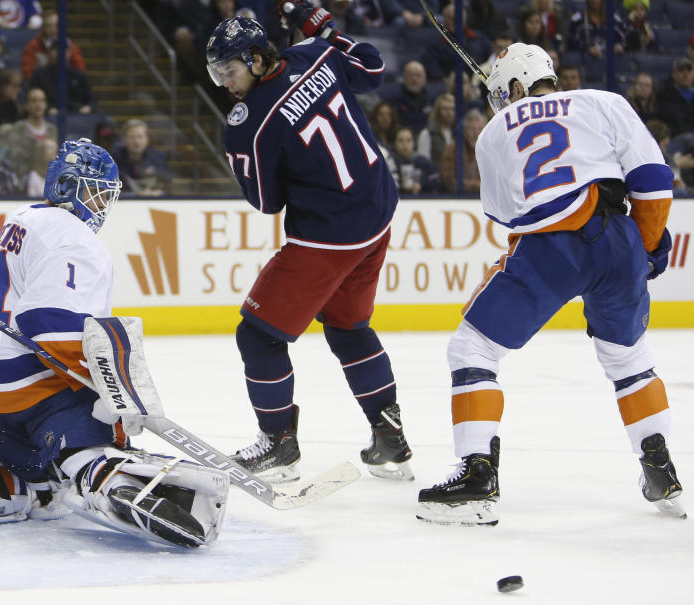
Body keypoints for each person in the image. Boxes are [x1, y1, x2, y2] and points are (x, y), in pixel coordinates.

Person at [0, 139, 227, 549]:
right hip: (32, 396)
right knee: (99, 433)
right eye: (95, 192)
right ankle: (105, 477)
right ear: (66, 187)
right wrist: (117, 393)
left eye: (106, 196)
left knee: (45, 482)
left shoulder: (22, 218)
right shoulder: (77, 240)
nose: (101, 206)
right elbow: (50, 327)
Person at [416, 43, 683, 526]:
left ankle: (478, 475)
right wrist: (643, 246)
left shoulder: (495, 131)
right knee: (629, 359)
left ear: (516, 87)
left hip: (550, 245)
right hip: (617, 239)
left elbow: (505, 214)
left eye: (504, 95)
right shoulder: (604, 101)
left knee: (472, 350)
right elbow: (653, 178)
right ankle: (659, 465)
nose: (501, 105)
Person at [205, 8, 413, 484]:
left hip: (329, 236)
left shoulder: (249, 119)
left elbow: (266, 201)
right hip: (378, 211)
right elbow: (373, 69)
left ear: (257, 58)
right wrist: (325, 29)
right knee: (348, 327)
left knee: (257, 335)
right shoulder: (316, 53)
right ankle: (390, 437)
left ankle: (279, 445)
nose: (226, 85)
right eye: (218, 75)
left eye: (230, 71)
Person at [0, 86, 57, 180]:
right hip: (26, 182)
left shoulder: (52, 130)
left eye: (42, 101)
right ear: (26, 105)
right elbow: (14, 162)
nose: (38, 105)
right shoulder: (16, 130)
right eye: (34, 101)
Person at [112, 118, 171, 196]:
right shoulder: (115, 159)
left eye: (140, 137)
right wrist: (136, 194)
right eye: (132, 137)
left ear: (147, 139)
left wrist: (160, 193)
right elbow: (112, 190)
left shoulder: (158, 157)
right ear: (124, 140)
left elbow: (167, 183)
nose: (137, 142)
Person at [439, 108, 486, 193]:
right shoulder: (453, 149)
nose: (476, 133)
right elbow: (450, 182)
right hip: (458, 200)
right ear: (464, 131)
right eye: (472, 129)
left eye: (479, 129)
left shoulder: (489, 151)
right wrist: (479, 186)